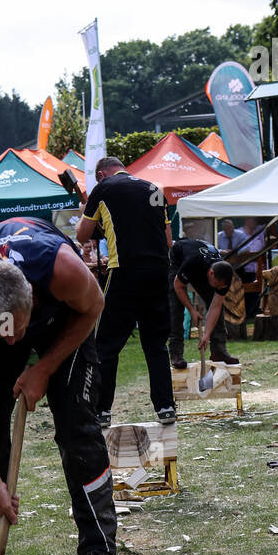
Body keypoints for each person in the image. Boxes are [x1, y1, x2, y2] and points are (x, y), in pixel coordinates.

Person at [0, 217, 118, 555]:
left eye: (16, 332)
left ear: (33, 299)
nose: (11, 342)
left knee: (76, 426)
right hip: (4, 316)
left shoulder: (63, 271)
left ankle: (98, 550)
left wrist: (44, 368)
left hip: (66, 320)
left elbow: (94, 306)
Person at [76, 155, 175, 426]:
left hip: (125, 270)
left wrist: (86, 209)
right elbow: (167, 239)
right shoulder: (154, 188)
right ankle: (165, 406)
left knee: (107, 345)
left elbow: (82, 236)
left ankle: (102, 409)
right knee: (156, 345)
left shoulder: (103, 189)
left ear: (101, 175)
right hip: (157, 270)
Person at [168, 239, 236, 368]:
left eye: (221, 286)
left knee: (218, 305)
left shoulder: (224, 277)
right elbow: (178, 286)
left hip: (202, 265)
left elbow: (215, 306)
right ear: (211, 274)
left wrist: (206, 335)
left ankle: (218, 351)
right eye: (216, 284)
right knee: (176, 307)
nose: (218, 288)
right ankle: (176, 354)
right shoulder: (192, 263)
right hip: (179, 259)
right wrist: (192, 310)